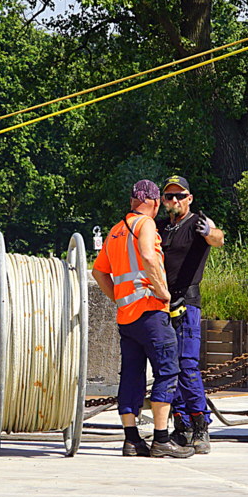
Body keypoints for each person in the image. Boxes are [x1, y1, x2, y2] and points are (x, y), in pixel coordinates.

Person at [91, 179, 194, 458]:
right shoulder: (145, 225)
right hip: (150, 312)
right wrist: (163, 292)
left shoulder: (115, 231)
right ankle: (161, 440)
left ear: (132, 201)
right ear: (155, 202)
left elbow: (98, 272)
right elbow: (148, 256)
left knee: (132, 377)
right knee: (167, 371)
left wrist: (118, 297)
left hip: (127, 317)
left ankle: (132, 440)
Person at [157, 175, 225, 454]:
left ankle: (200, 426)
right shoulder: (158, 227)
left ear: (189, 199)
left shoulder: (197, 224)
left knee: (187, 366)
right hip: (160, 306)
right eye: (169, 197)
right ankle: (180, 424)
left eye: (180, 196)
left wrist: (210, 231)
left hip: (187, 305)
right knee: (167, 369)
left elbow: (218, 238)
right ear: (163, 201)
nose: (174, 201)